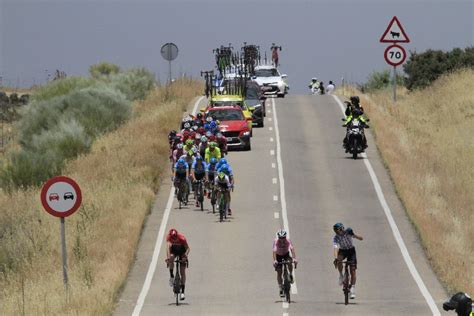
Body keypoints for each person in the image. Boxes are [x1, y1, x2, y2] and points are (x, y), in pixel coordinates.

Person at [332, 223, 363, 299]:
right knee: (338, 259)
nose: (336, 232)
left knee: (352, 270)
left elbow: (361, 238)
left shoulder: (348, 232)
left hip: (351, 251)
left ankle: (352, 288)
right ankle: (341, 275)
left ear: (342, 228)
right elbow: (335, 249)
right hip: (343, 251)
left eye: (337, 230)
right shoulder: (336, 238)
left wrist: (354, 235)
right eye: (335, 231)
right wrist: (335, 258)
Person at [166, 228, 190, 301]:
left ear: (177, 235)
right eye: (173, 238)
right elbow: (168, 248)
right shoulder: (169, 237)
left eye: (175, 237)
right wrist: (168, 258)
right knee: (171, 258)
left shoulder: (182, 238)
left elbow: (188, 248)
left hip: (182, 252)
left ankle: (183, 292)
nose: (174, 239)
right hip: (174, 251)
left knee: (182, 272)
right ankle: (172, 276)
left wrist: (185, 256)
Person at [273, 229, 297, 297]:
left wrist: (294, 258)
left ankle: (290, 274)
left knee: (289, 262)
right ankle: (280, 287)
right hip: (278, 256)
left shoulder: (288, 241)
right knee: (279, 272)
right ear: (278, 237)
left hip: (286, 254)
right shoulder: (276, 241)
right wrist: (275, 260)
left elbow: (292, 250)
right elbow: (274, 252)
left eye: (283, 237)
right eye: (280, 238)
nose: (282, 239)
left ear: (285, 237)